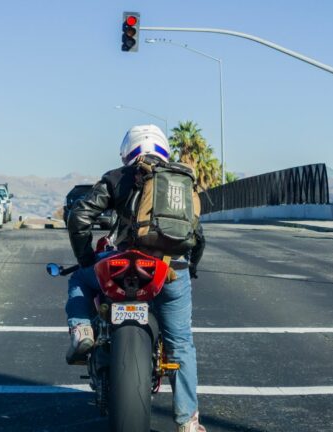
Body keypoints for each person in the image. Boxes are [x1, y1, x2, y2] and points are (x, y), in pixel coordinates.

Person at [65, 124, 206, 432]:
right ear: (164, 148)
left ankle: (82, 331)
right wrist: (190, 266)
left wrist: (86, 259)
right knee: (180, 343)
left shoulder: (118, 177)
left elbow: (79, 216)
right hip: (169, 269)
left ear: (127, 151)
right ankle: (188, 422)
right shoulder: (180, 182)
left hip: (123, 263)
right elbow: (198, 236)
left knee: (79, 280)